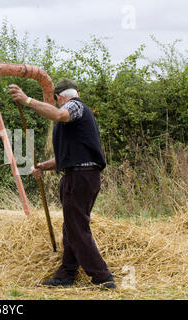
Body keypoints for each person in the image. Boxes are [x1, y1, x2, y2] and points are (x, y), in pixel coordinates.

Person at [8, 78, 116, 289]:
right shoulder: (75, 121)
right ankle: (67, 273)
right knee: (71, 227)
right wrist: (42, 166)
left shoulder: (73, 106)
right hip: (77, 174)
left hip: (81, 177)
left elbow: (59, 114)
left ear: (59, 97)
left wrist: (27, 100)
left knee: (77, 227)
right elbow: (66, 157)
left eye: (55, 102)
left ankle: (103, 278)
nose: (57, 107)